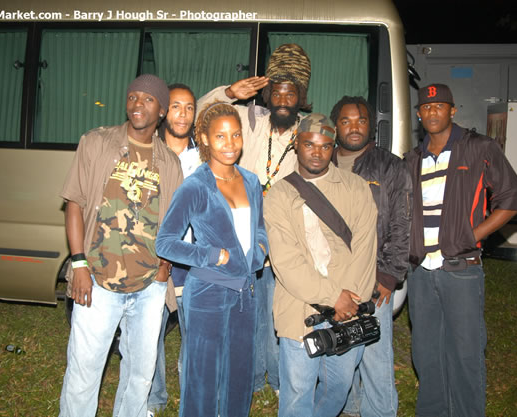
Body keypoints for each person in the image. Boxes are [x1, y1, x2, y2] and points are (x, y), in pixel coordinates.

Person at [58, 74, 183, 417]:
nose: (137, 104)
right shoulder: (97, 142)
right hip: (97, 280)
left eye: (147, 99)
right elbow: (74, 203)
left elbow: (172, 221)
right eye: (133, 97)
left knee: (140, 376)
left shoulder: (169, 162)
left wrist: (163, 267)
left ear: (161, 110)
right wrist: (79, 264)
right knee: (85, 370)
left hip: (148, 287)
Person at [197, 43, 312, 394]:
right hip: (243, 233)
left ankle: (278, 378)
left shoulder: (310, 130)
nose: (281, 97)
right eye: (275, 89)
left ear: (301, 96)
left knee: (281, 307)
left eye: (290, 91)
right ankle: (251, 377)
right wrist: (229, 93)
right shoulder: (248, 120)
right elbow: (201, 117)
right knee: (248, 306)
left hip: (288, 237)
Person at [405, 83, 517, 417]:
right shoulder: (412, 160)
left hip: (461, 269)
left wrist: (470, 236)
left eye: (440, 106)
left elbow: (511, 198)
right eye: (426, 107)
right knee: (426, 353)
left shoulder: (478, 148)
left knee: (466, 352)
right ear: (418, 114)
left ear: (453, 110)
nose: (433, 112)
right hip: (420, 273)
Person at [155, 102, 269, 417]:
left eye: (235, 136)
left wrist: (259, 252)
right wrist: (211, 255)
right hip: (207, 293)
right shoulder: (196, 186)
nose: (229, 144)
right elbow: (165, 243)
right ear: (204, 139)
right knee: (201, 380)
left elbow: (260, 228)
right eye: (220, 136)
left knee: (240, 377)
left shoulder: (251, 181)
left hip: (245, 294)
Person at [264, 113, 378, 417]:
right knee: (298, 393)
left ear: (334, 147)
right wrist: (332, 297)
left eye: (326, 146)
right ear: (296, 145)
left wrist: (349, 298)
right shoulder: (280, 194)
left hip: (348, 309)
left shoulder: (355, 187)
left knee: (338, 388)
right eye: (309, 144)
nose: (317, 152)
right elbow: (286, 261)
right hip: (300, 310)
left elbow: (366, 247)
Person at [330, 96, 412, 417]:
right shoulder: (322, 161)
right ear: (335, 126)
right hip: (332, 278)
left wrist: (389, 276)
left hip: (374, 277)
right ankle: (349, 408)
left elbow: (402, 224)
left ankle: (380, 412)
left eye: (361, 120)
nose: (354, 127)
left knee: (375, 351)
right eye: (346, 121)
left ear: (371, 126)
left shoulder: (390, 166)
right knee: (339, 346)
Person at [147, 83, 200, 416]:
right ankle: (153, 399)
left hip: (194, 261)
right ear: (165, 110)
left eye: (190, 107)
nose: (183, 114)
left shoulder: (206, 155)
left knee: (196, 336)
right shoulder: (146, 151)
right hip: (155, 260)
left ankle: (194, 397)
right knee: (150, 332)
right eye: (176, 106)